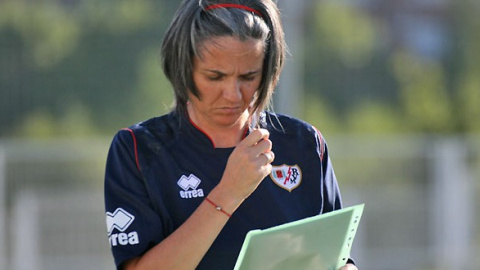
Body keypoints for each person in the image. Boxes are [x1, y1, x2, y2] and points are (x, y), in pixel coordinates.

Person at [104, 0, 358, 269]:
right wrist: (228, 193)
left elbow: (338, 259)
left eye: (249, 77)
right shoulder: (138, 149)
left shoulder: (305, 143)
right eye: (215, 76)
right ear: (182, 67)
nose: (233, 95)